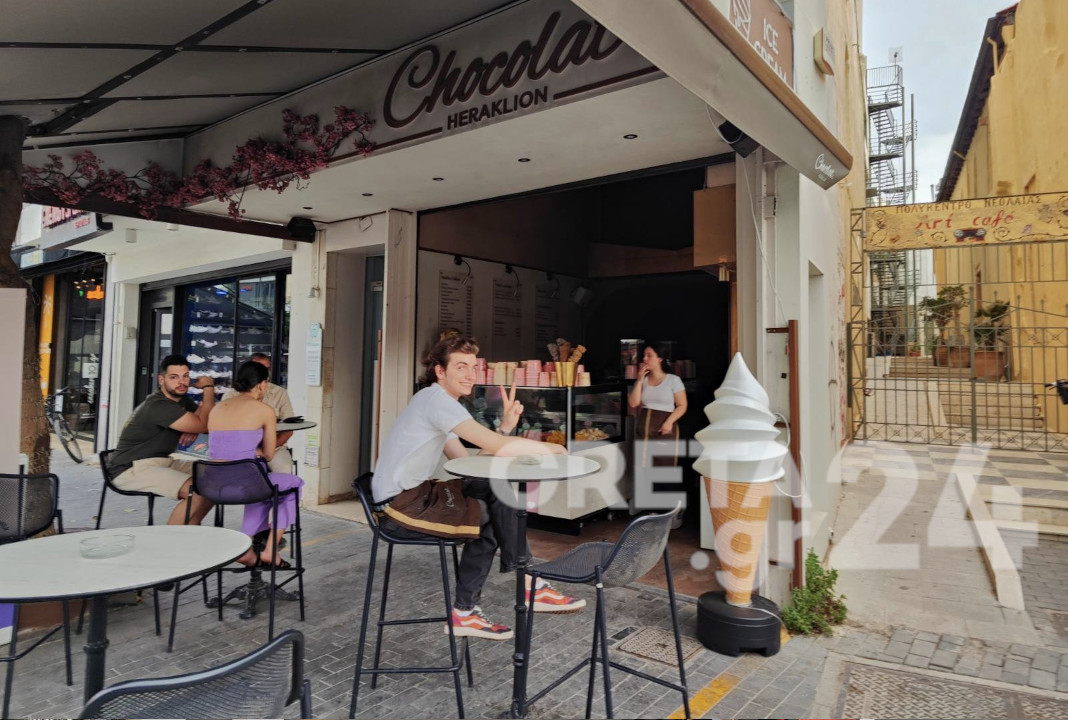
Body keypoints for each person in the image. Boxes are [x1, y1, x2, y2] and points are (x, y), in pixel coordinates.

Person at [372, 333, 585, 641]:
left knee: (490, 496)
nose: (470, 374)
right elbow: (495, 449)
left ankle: (484, 604)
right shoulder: (436, 401)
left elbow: (468, 464)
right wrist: (553, 449)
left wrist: (505, 428)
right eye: (461, 367)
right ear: (440, 371)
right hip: (398, 507)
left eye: (474, 367)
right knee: (487, 508)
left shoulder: (434, 402)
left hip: (413, 497)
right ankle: (524, 585)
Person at [209, 360, 304, 568]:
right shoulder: (264, 410)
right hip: (247, 482)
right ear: (262, 384)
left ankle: (247, 547)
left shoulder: (217, 408)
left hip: (215, 484)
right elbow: (269, 454)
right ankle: (270, 550)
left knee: (263, 487)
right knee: (293, 485)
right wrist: (257, 450)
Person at [110, 354, 217, 526]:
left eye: (185, 376)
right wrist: (208, 388)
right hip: (130, 467)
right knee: (196, 491)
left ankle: (191, 531)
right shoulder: (159, 405)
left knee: (216, 479)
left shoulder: (181, 400)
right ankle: (170, 539)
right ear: (161, 380)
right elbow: (203, 424)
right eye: (174, 377)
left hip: (160, 461)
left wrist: (195, 428)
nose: (181, 382)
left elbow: (206, 421)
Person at [628, 343, 688, 526]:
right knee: (646, 471)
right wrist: (639, 380)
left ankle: (674, 511)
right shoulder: (644, 380)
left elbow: (682, 405)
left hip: (664, 430)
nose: (644, 359)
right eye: (644, 355)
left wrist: (669, 422)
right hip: (644, 430)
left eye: (649, 355)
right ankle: (654, 512)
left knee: (666, 470)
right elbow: (633, 403)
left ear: (660, 358)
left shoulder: (673, 380)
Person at [222, 353, 296, 474]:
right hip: (238, 450)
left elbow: (289, 430)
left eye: (267, 368)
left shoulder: (280, 393)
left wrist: (264, 449)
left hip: (275, 448)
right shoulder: (230, 397)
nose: (264, 372)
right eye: (259, 368)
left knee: (285, 469)